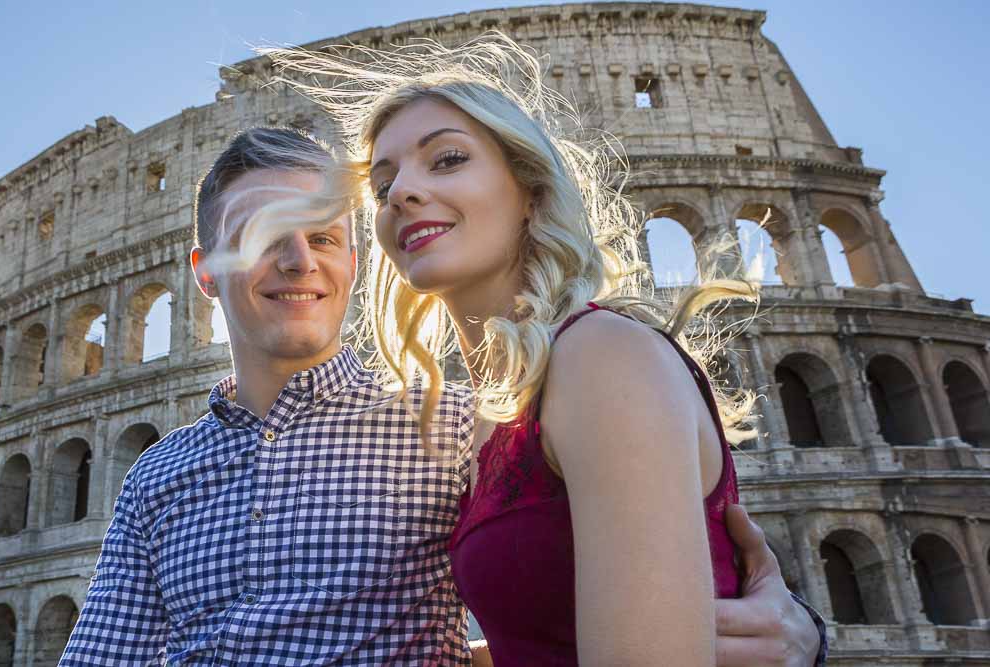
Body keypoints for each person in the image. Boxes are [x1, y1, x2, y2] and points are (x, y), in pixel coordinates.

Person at [59, 126, 824, 665]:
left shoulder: (460, 429)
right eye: (261, 234)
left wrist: (803, 632)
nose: (299, 259)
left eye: (323, 236)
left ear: (354, 262)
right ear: (204, 271)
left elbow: (587, 596)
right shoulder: (156, 478)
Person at [261, 33, 830, 666]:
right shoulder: (494, 410)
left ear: (530, 189)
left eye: (446, 159)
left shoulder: (601, 356)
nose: (400, 193)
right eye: (384, 182)